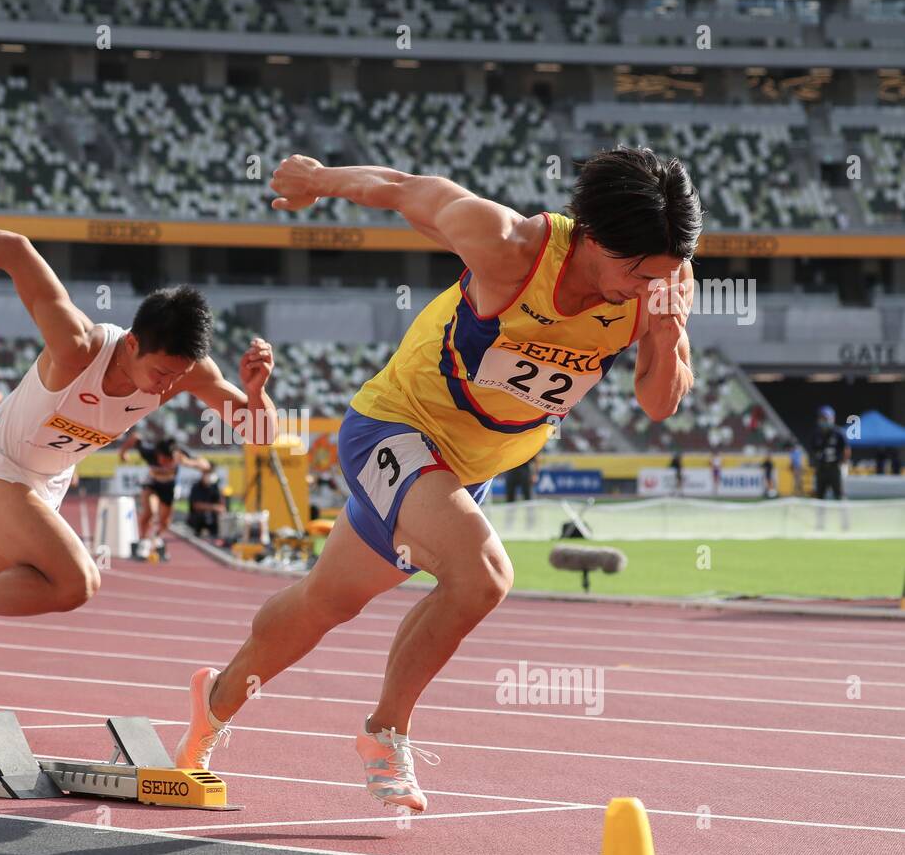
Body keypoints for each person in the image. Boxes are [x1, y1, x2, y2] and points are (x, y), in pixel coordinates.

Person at [174, 146, 699, 812]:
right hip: (395, 426)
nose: (646, 284)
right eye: (636, 271)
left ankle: (212, 704)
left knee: (325, 602)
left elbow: (659, 402)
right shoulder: (509, 245)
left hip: (468, 466)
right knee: (483, 576)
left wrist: (665, 330)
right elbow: (401, 188)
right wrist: (318, 181)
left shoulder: (661, 285)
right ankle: (385, 732)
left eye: (666, 271)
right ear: (592, 236)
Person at [0, 221, 277, 694]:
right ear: (133, 343)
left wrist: (257, 393)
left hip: (47, 480)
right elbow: (19, 250)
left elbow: (260, 433)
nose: (166, 388)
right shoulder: (77, 347)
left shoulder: (185, 372)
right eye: (160, 373)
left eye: (175, 378)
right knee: (76, 583)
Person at [118, 431, 212, 560]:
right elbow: (135, 436)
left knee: (165, 521)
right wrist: (123, 452)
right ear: (158, 454)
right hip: (152, 484)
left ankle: (157, 538)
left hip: (168, 487)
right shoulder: (148, 452)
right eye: (164, 460)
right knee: (149, 512)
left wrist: (189, 463)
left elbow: (206, 465)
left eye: (170, 460)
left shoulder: (180, 453)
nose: (166, 463)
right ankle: (144, 541)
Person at [810, 405, 850, 500]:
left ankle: (844, 514)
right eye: (822, 418)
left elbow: (846, 449)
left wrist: (842, 463)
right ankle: (820, 515)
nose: (824, 420)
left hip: (835, 468)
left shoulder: (839, 433)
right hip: (821, 469)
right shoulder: (816, 434)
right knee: (819, 496)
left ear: (832, 418)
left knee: (839, 495)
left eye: (826, 418)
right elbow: (813, 450)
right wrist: (816, 463)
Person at [186, 466, 225, 537]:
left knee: (220, 519)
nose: (208, 476)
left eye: (210, 474)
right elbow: (196, 505)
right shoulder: (196, 487)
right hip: (197, 519)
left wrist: (220, 507)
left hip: (212, 519)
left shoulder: (214, 487)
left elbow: (221, 505)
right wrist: (212, 507)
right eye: (206, 474)